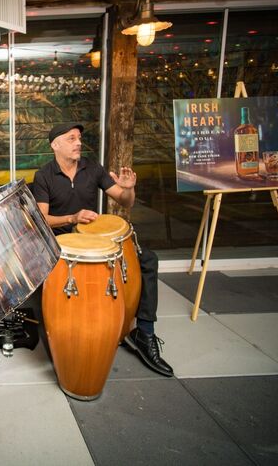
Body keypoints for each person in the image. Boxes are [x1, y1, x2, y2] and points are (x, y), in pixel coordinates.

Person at [31, 123, 173, 377]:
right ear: (55, 145)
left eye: (79, 138)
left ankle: (144, 333)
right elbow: (42, 219)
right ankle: (62, 335)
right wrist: (72, 217)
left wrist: (128, 188)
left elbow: (125, 201)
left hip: (94, 240)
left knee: (148, 260)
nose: (78, 142)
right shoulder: (44, 176)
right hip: (63, 242)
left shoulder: (92, 168)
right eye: (71, 138)